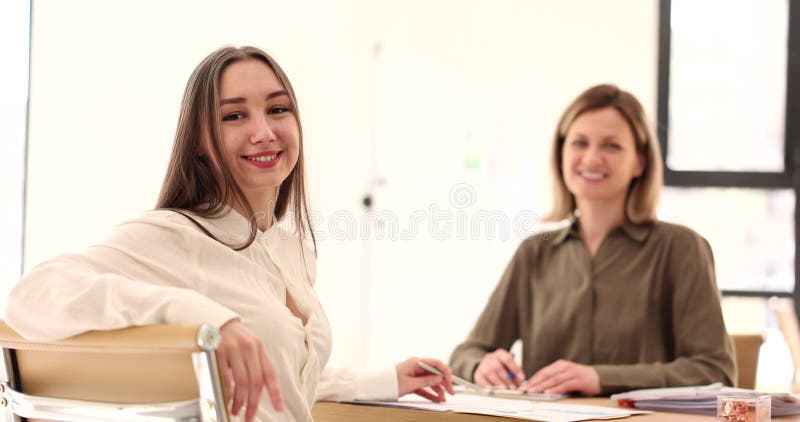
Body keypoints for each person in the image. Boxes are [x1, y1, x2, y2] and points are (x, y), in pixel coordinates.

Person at [6, 46, 454, 422]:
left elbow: (277, 379)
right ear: (200, 140)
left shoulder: (290, 250)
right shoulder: (173, 235)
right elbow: (30, 295)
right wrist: (206, 317)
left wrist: (385, 379)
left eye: (277, 109)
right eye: (234, 116)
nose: (263, 132)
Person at [449, 84, 736, 396]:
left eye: (612, 146)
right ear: (561, 154)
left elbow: (715, 371)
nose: (592, 158)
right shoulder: (535, 251)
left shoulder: (680, 249)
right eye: (579, 143)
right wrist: (482, 366)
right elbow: (467, 354)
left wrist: (600, 378)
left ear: (639, 162)